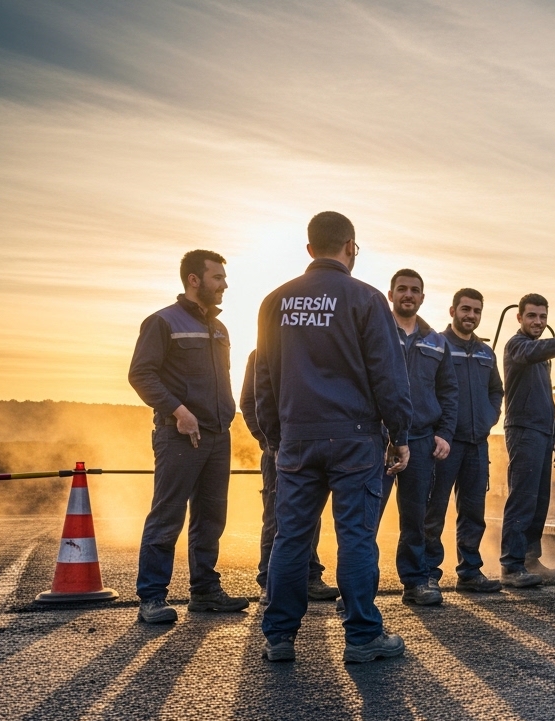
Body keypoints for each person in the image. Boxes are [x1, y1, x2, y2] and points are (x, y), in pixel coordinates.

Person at [255, 211, 412, 664]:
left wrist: (276, 437)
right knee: (357, 537)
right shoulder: (364, 299)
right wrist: (399, 434)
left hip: (298, 438)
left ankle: (280, 636)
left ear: (309, 249)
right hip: (355, 438)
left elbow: (264, 377)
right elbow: (388, 374)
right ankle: (362, 637)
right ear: (351, 247)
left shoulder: (274, 301)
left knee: (291, 538)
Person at [128, 249, 249, 624]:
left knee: (211, 517)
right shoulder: (162, 322)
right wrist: (178, 411)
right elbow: (140, 374)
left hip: (217, 435)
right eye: (217, 277)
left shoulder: (220, 328)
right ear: (194, 280)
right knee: (167, 516)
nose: (224, 284)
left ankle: (205, 592)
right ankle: (152, 598)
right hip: (179, 436)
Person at [379, 269, 458, 607]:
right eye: (402, 289)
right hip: (378, 440)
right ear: (391, 294)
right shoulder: (377, 332)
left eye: (414, 290)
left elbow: (450, 393)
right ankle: (358, 588)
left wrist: (444, 434)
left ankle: (415, 583)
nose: (408, 295)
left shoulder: (436, 342)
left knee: (416, 517)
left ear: (423, 298)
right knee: (367, 515)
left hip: (423, 439)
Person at [239, 349, 337, 605]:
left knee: (312, 515)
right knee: (275, 515)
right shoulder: (261, 354)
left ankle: (310, 577)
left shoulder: (312, 349)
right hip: (278, 449)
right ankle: (269, 581)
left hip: (312, 446)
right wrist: (269, 442)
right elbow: (249, 403)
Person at [501, 293, 555, 587]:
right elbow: (531, 351)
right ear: (520, 318)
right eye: (532, 316)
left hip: (541, 432)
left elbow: (544, 398)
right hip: (522, 430)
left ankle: (529, 558)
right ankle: (511, 566)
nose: (538, 322)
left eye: (542, 317)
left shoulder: (541, 358)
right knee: (522, 499)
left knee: (538, 501)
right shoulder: (517, 346)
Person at [426, 287, 505, 593]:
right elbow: (426, 387)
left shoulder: (486, 353)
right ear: (453, 311)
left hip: (476, 444)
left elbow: (496, 390)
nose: (471, 315)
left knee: (473, 512)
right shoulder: (437, 345)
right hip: (443, 444)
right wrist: (436, 427)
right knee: (434, 510)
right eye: (465, 309)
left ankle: (470, 572)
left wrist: (488, 417)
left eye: (476, 311)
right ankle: (428, 574)